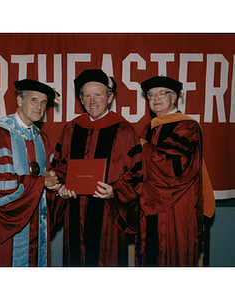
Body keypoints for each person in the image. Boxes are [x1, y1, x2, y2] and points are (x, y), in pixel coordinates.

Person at [51, 69, 143, 267]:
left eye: (98, 95)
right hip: (74, 216)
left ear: (109, 97)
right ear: (81, 100)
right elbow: (60, 166)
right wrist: (61, 188)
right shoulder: (71, 128)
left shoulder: (124, 129)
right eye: (87, 96)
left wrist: (115, 191)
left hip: (108, 218)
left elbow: (137, 174)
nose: (92, 101)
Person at [0, 78, 62, 267]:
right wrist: (41, 183)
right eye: (34, 100)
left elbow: (48, 179)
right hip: (8, 232)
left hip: (37, 231)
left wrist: (56, 187)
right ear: (20, 101)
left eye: (44, 102)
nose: (39, 106)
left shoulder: (42, 139)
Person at [138, 75, 215, 266]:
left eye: (162, 93)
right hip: (149, 207)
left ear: (174, 98)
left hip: (177, 206)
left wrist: (145, 148)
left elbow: (175, 166)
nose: (155, 99)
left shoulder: (187, 126)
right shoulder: (147, 129)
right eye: (151, 95)